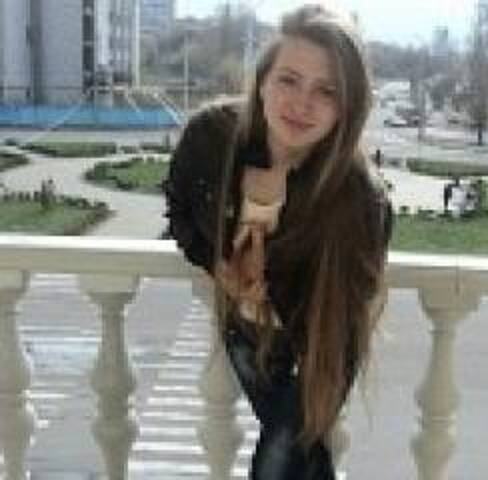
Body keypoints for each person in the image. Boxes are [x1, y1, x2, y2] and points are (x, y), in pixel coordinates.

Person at [163, 4, 393, 479]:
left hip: (318, 348)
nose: (302, 103)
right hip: (244, 332)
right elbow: (180, 210)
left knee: (284, 458)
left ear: (347, 107)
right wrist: (217, 265)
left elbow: (346, 318)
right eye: (289, 79)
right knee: (300, 461)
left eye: (326, 90)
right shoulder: (209, 139)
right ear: (263, 81)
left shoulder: (360, 200)